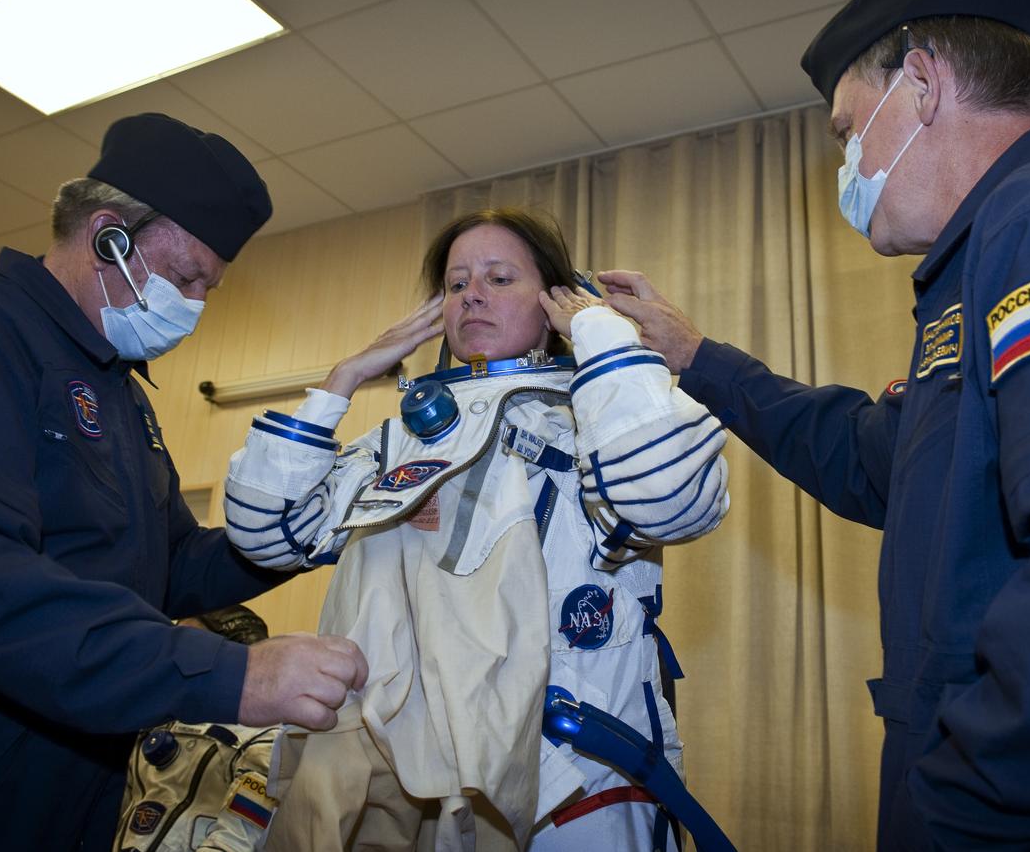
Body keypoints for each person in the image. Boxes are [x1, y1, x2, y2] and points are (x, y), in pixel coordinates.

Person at [598, 0, 1030, 848]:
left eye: (848, 130)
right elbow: (871, 457)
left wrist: (959, 803)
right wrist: (698, 357)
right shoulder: (984, 265)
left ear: (923, 87)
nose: (847, 164)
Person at [222, 208, 731, 850]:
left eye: (499, 277)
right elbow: (266, 532)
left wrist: (601, 333)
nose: (473, 295)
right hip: (412, 777)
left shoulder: (601, 419)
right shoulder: (403, 440)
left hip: (577, 780)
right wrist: (342, 380)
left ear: (555, 305)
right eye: (457, 284)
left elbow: (669, 498)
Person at [0, 112, 368, 851]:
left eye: (209, 287)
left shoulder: (121, 392)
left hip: (76, 780)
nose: (196, 306)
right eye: (184, 278)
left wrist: (309, 527)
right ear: (107, 234)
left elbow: (172, 567)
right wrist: (231, 674)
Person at [115, 605, 280, 852]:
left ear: (234, 655)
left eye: (189, 646)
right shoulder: (150, 724)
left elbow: (237, 840)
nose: (175, 657)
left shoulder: (264, 739)